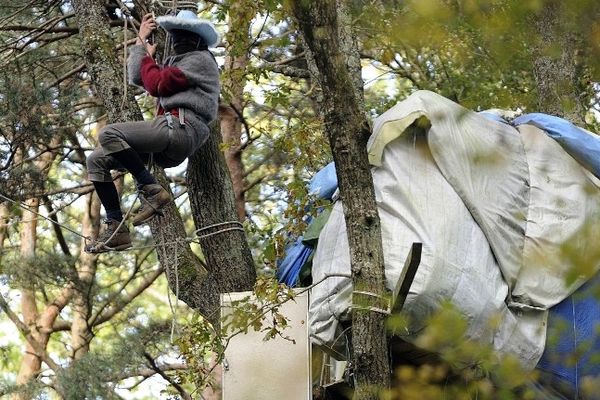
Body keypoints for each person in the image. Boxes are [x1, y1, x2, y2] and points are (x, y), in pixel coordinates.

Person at [85, 10, 220, 253]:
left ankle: (150, 188)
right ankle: (116, 229)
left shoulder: (201, 60)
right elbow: (138, 76)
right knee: (96, 160)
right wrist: (140, 44)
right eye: (177, 35)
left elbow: (157, 83)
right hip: (169, 138)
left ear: (199, 40)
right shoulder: (174, 63)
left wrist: (147, 59)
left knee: (109, 134)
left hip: (181, 128)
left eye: (186, 36)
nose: (180, 40)